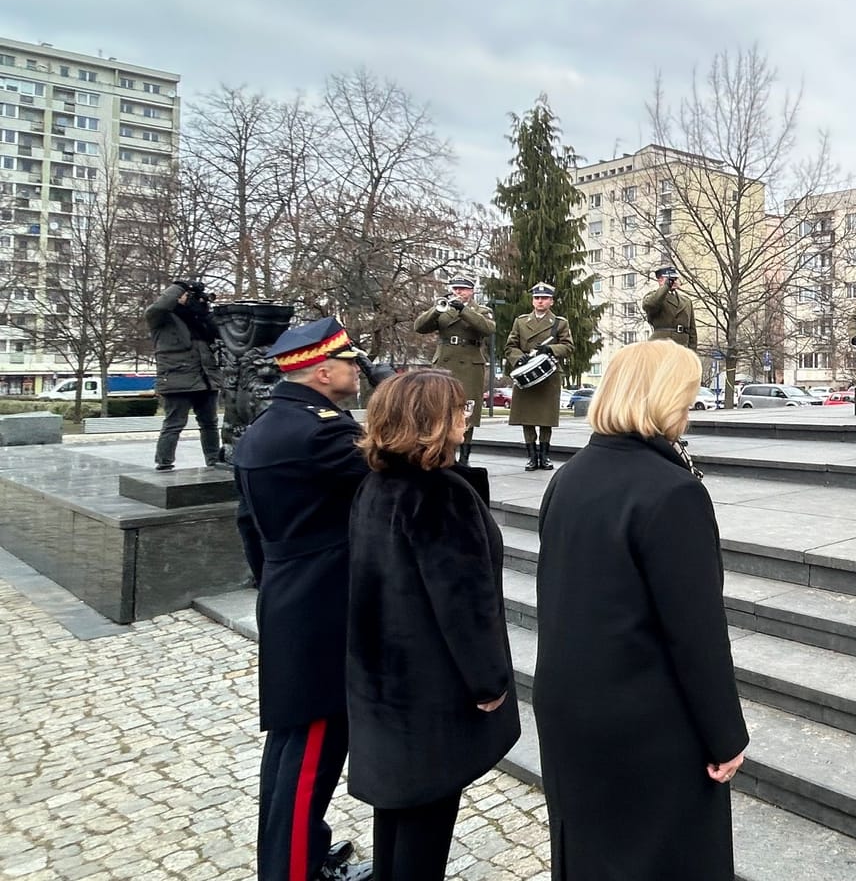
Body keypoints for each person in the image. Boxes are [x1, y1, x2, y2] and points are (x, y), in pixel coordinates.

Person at [534, 341, 748, 881]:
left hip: (572, 708)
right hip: (647, 724)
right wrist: (726, 736)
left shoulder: (570, 475)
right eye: (689, 394)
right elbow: (696, 633)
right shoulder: (671, 491)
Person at [346, 370, 518, 881]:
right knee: (427, 815)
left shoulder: (374, 485)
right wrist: (489, 683)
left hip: (382, 680)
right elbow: (465, 602)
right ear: (431, 419)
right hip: (428, 685)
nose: (467, 416)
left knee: (397, 809)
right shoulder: (439, 495)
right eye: (459, 407)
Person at [231, 317, 378, 881]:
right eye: (350, 363)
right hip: (322, 607)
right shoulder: (322, 433)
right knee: (313, 750)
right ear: (322, 371)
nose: (357, 370)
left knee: (293, 746)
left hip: (291, 597)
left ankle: (301, 850)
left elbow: (250, 529)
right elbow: (402, 478)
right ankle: (292, 871)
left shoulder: (265, 427)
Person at [413, 276, 494, 465]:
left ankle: (464, 458)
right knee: (440, 408)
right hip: (444, 363)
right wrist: (436, 309)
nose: (458, 292)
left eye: (463, 289)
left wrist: (463, 309)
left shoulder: (482, 310)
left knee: (468, 410)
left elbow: (487, 328)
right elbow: (419, 327)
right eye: (456, 288)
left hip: (470, 365)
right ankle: (441, 453)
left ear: (472, 291)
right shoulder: (443, 309)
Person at [146, 279, 222, 471]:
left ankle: (213, 459)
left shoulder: (197, 319)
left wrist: (204, 312)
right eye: (186, 296)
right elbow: (161, 306)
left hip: (205, 379)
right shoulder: (162, 318)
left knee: (210, 423)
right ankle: (164, 462)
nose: (189, 299)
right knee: (174, 423)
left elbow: (219, 331)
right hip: (177, 379)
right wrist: (180, 286)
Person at [506, 283, 573, 471]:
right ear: (533, 300)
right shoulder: (521, 321)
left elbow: (568, 346)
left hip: (548, 373)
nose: (540, 301)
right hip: (526, 373)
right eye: (537, 298)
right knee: (527, 417)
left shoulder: (560, 323)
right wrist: (519, 358)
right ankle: (531, 457)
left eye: (544, 298)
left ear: (551, 301)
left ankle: (544, 457)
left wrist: (550, 348)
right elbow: (510, 346)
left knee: (545, 418)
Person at [642, 266, 698, 350]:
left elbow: (692, 330)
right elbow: (651, 304)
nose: (674, 281)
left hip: (682, 346)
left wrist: (692, 352)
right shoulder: (654, 297)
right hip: (661, 346)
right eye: (670, 279)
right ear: (660, 280)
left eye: (675, 279)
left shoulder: (686, 301)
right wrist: (666, 286)